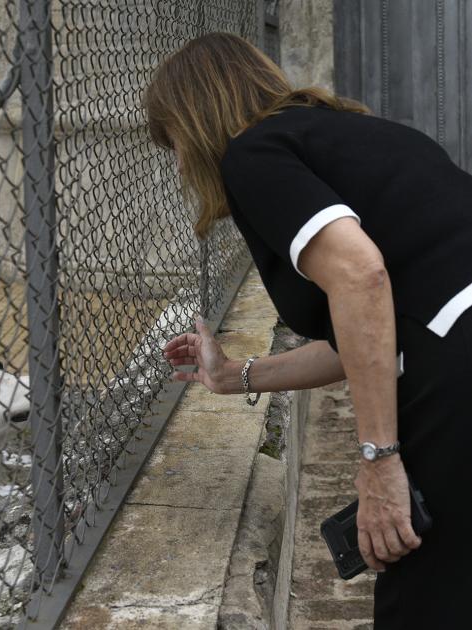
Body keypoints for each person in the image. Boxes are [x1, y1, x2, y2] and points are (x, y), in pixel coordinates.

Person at [145, 33, 472, 627]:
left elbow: (360, 277)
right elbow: (368, 332)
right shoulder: (360, 132)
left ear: (193, 124)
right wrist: (236, 374)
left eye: (171, 145)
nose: (178, 167)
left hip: (459, 360)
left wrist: (380, 459)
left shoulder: (252, 155)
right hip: (452, 333)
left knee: (428, 596)